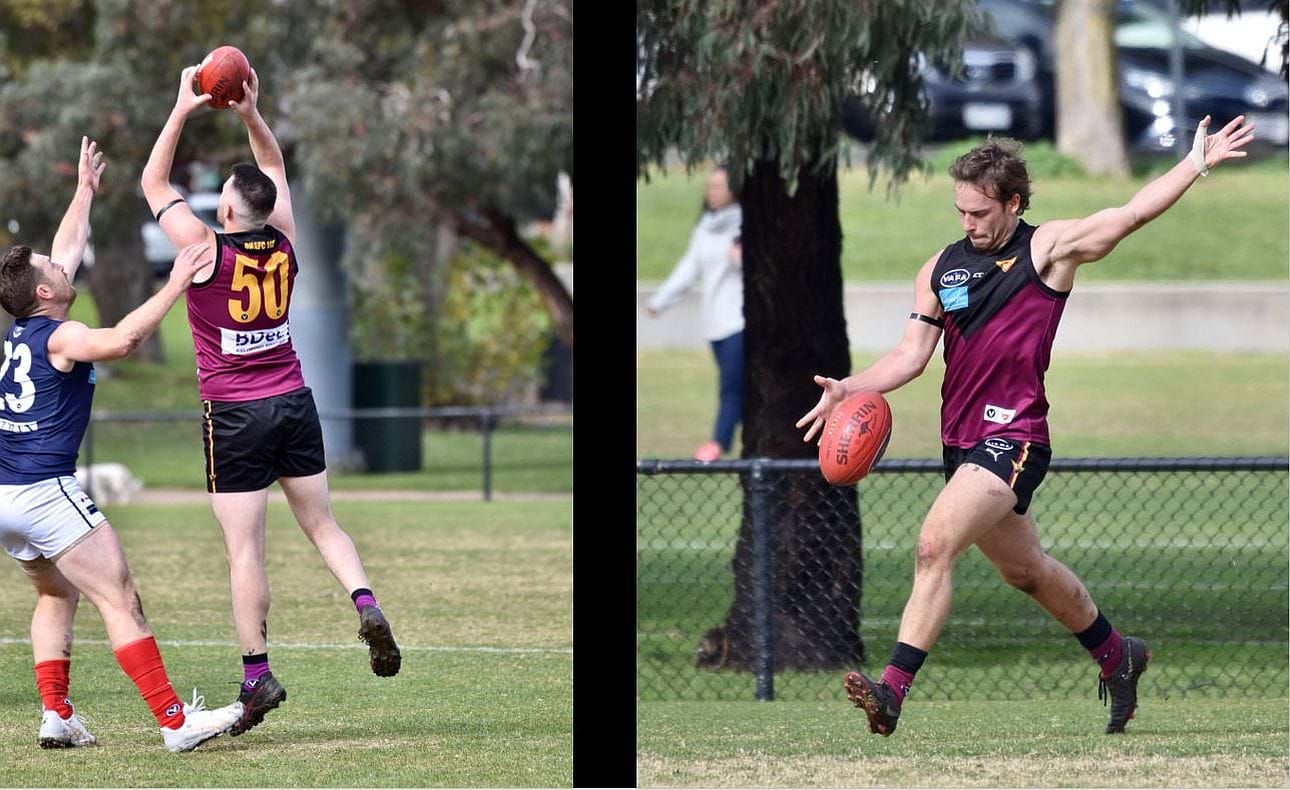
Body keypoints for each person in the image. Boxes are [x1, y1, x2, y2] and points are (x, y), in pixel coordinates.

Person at [796, 116, 1254, 736]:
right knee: (1026, 571)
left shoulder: (1049, 251)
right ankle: (1117, 655)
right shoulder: (940, 270)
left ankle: (892, 691)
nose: (968, 223)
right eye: (961, 211)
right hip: (961, 444)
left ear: (1013, 202)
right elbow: (909, 356)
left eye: (980, 212)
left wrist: (1195, 164)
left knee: (934, 545)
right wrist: (849, 388)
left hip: (1014, 437)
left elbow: (1130, 214)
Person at [140, 65, 401, 737]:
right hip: (293, 400)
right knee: (323, 524)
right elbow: (274, 167)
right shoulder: (283, 238)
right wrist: (251, 113)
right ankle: (364, 601)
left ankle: (257, 674)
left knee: (245, 551)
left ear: (226, 212)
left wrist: (182, 108)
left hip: (234, 413)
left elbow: (154, 184)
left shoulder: (203, 251)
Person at [0, 136, 243, 752]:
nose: (64, 266)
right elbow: (123, 341)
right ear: (44, 294)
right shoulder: (62, 337)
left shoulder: (24, 330)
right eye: (54, 272)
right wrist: (176, 283)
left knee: (56, 592)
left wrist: (84, 191)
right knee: (120, 597)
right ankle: (175, 722)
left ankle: (57, 715)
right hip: (44, 492)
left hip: (5, 496)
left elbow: (64, 249)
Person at [645, 167, 744, 462]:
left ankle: (718, 443)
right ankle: (757, 440)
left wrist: (740, 258)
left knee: (731, 386)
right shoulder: (705, 228)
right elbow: (688, 269)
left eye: (718, 187)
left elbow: (759, 267)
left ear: (734, 190)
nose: (711, 192)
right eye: (709, 186)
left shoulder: (744, 222)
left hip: (740, 321)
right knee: (740, 388)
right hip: (715, 323)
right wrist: (659, 302)